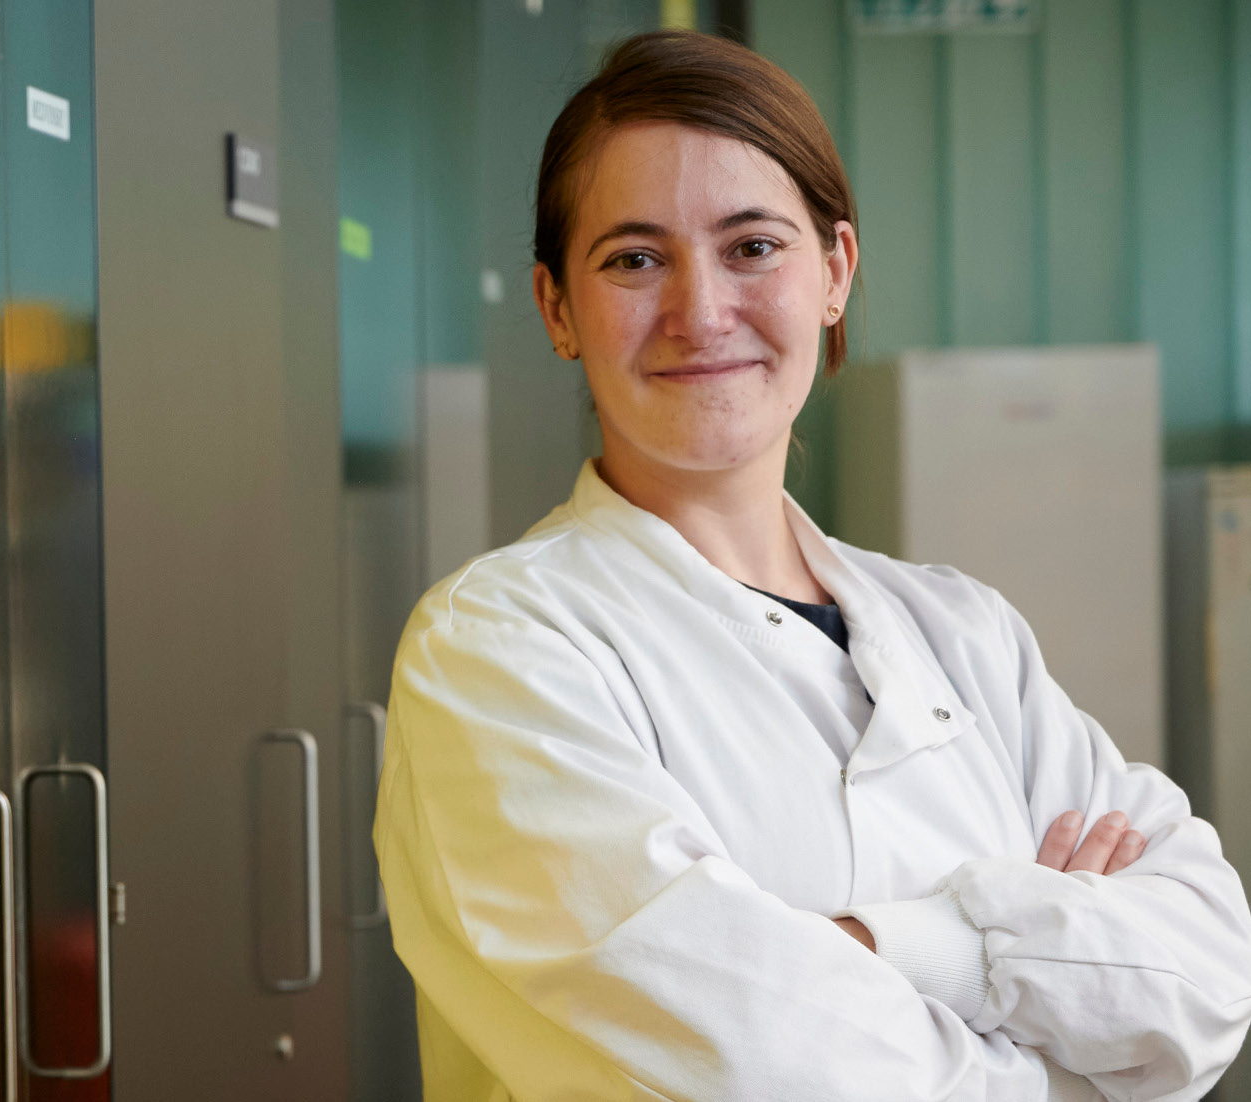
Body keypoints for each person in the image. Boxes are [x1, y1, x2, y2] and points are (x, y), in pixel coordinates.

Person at [373, 31, 1251, 1102]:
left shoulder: (963, 632)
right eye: (634, 259)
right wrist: (1053, 1006)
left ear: (834, 273)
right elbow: (757, 1073)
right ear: (558, 307)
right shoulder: (495, 649)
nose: (701, 310)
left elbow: (1208, 970)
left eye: (751, 246)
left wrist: (875, 949)